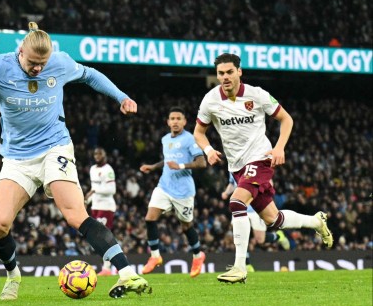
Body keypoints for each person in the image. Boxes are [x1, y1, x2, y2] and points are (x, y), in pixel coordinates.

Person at [0, 22, 150, 300]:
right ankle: (13, 275)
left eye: (42, 64)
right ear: (20, 51)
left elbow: (91, 75)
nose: (38, 69)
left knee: (75, 215)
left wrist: (121, 97)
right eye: (33, 63)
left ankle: (127, 273)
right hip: (17, 158)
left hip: (55, 147)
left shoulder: (59, 62)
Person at [193, 53, 332, 284]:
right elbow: (199, 132)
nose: (225, 77)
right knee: (273, 220)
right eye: (220, 73)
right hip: (237, 166)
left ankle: (239, 268)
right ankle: (316, 222)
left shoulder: (256, 95)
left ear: (239, 72)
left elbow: (286, 119)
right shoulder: (210, 101)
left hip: (260, 159)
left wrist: (279, 148)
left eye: (229, 72)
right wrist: (208, 150)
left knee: (237, 202)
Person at [138, 107, 208, 277]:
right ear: (168, 122)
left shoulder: (190, 139)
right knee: (149, 218)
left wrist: (181, 166)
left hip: (183, 192)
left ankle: (198, 255)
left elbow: (202, 162)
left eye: (178, 118)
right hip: (164, 186)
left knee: (186, 227)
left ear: (184, 122)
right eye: (172, 118)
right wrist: (153, 167)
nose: (175, 121)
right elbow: (168, 160)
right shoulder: (165, 139)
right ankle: (155, 256)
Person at [220, 171, 290, 272]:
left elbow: (269, 181)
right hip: (240, 206)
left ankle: (279, 236)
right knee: (239, 235)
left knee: (260, 240)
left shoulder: (254, 163)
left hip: (255, 208)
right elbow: (232, 183)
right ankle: (247, 264)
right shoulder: (232, 166)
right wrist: (226, 193)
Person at [84, 147, 117, 275]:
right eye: (95, 154)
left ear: (104, 155)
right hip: (96, 206)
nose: (97, 156)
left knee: (102, 237)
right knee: (101, 237)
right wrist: (87, 200)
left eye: (100, 154)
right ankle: (116, 262)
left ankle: (107, 268)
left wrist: (94, 191)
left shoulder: (108, 170)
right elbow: (94, 188)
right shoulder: (92, 169)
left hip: (106, 207)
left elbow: (112, 190)